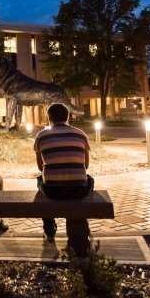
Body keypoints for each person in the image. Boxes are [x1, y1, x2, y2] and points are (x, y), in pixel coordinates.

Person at [33, 103, 94, 242]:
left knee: (39, 181)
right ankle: (79, 222)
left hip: (53, 191)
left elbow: (40, 167)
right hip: (78, 190)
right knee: (89, 179)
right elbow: (86, 165)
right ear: (67, 117)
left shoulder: (41, 136)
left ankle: (49, 226)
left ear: (49, 118)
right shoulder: (80, 134)